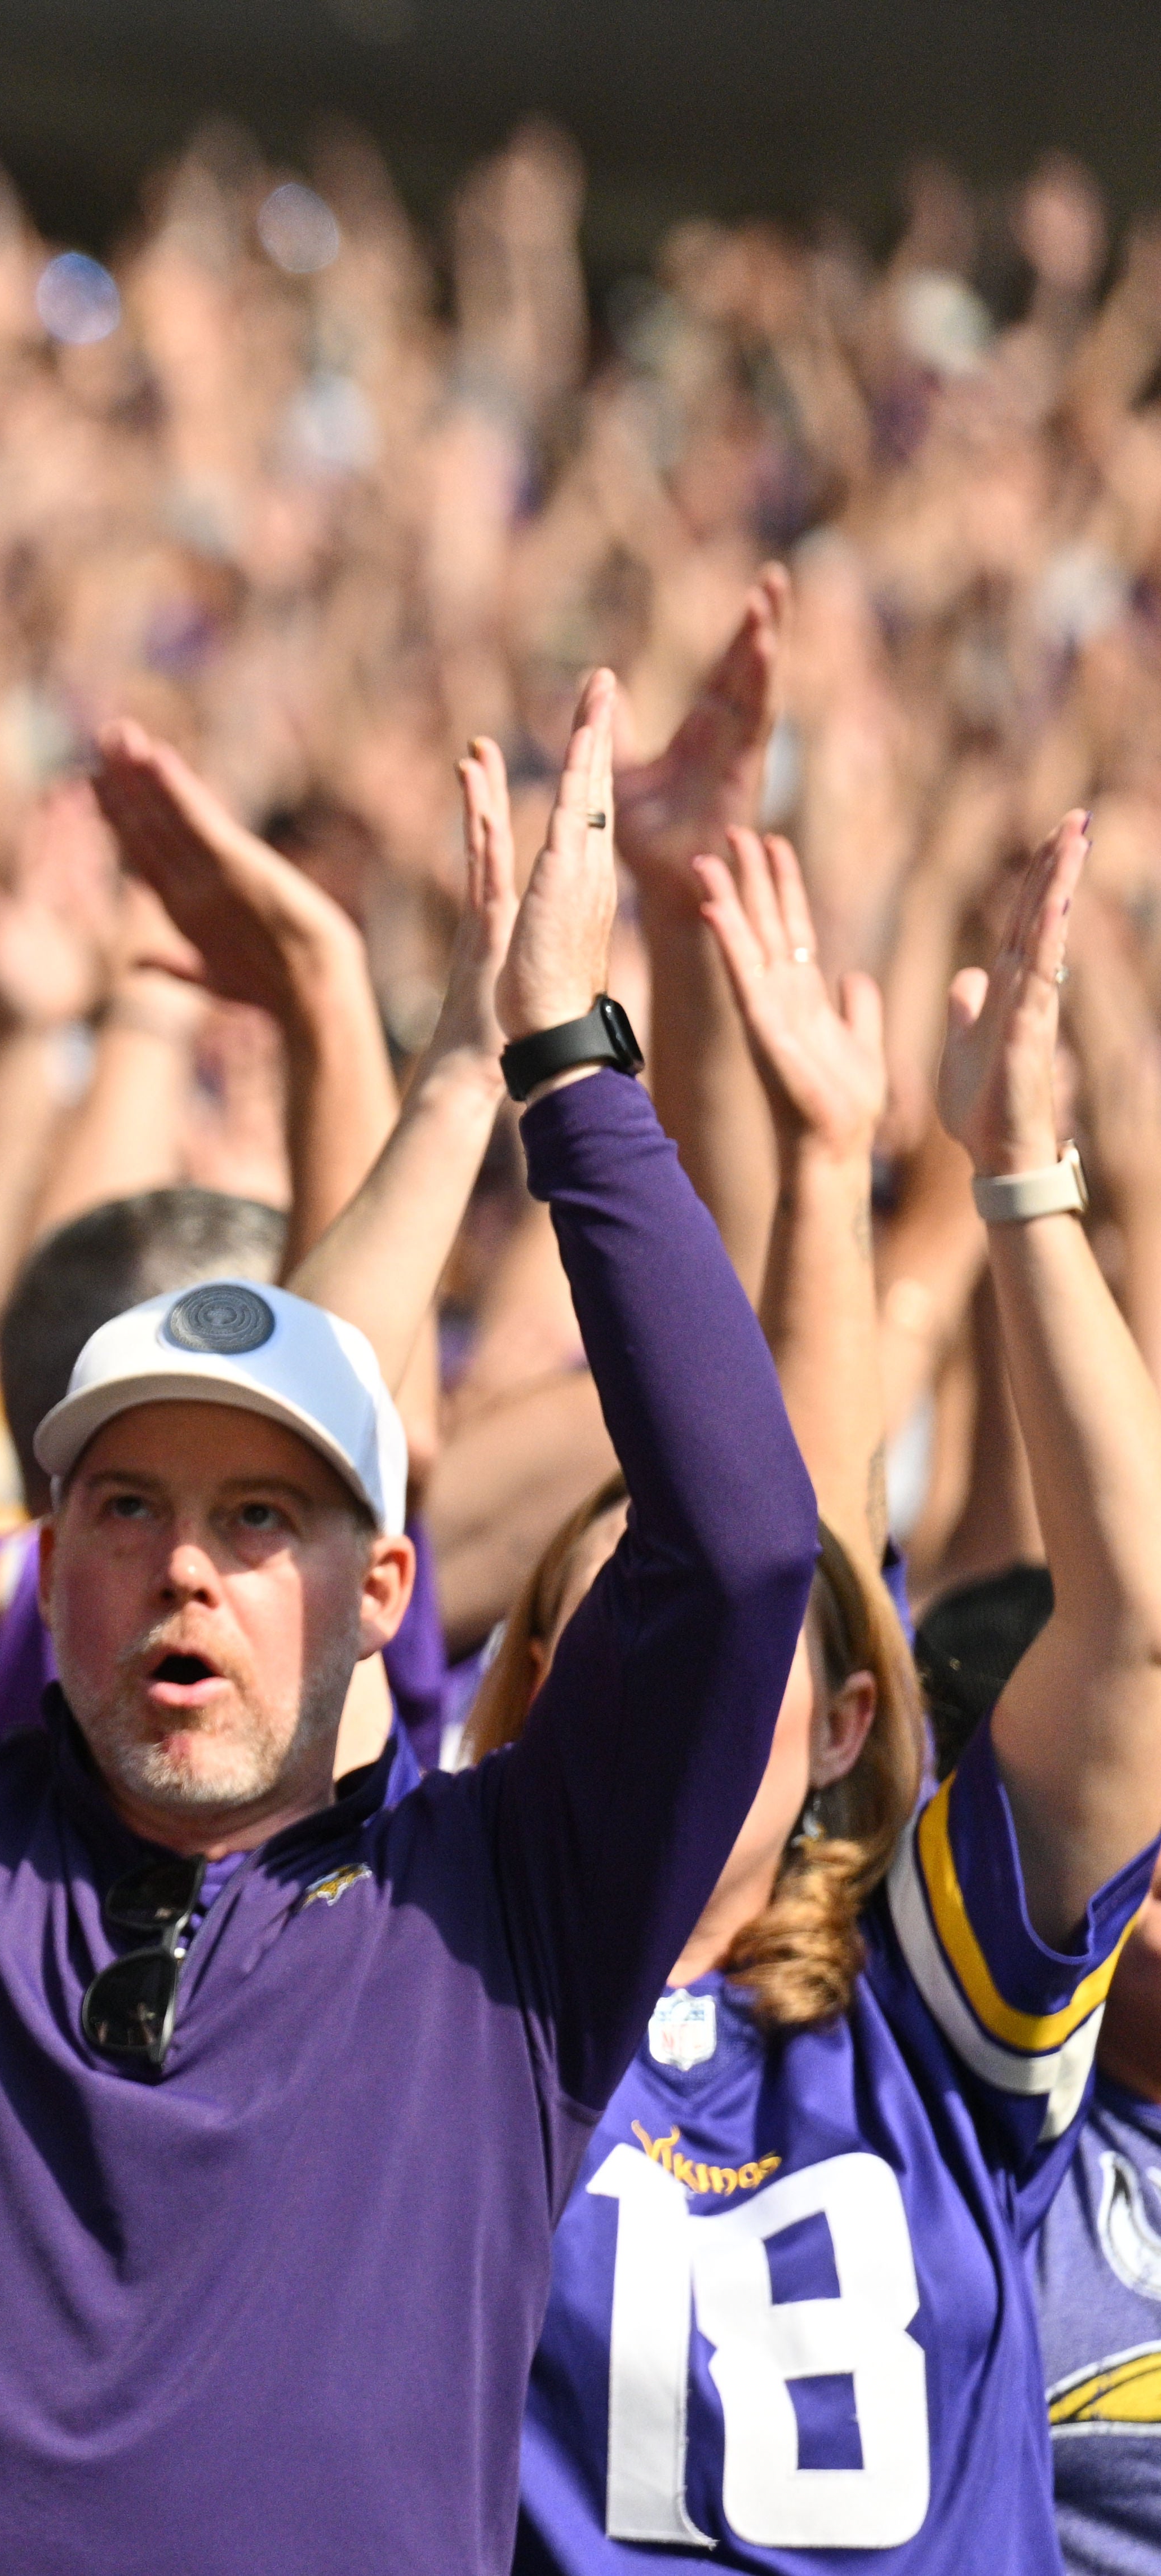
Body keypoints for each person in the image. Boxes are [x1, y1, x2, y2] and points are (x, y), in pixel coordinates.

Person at [0, 674, 823, 2574]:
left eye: (263, 1519)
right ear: (47, 1555)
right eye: (131, 1507)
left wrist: (568, 1061)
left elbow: (740, 1547)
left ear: (378, 1586)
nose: (187, 1567)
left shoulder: (509, 1913)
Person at [482, 816, 1161, 2571]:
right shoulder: (451, 1998)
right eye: (632, 1631)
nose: (692, 1683)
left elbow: (1130, 1624)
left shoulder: (926, 2019)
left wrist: (1019, 1176)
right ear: (533, 1689)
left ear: (849, 1723)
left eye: (742, 1648)